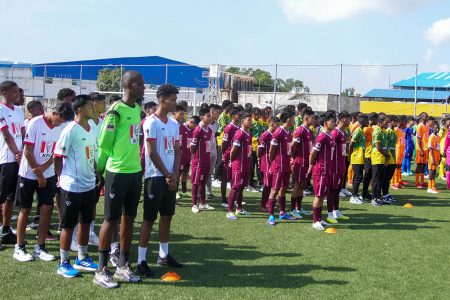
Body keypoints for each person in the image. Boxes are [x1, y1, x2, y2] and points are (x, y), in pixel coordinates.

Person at [94, 71, 145, 288]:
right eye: (140, 84)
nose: (144, 87)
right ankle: (101, 269)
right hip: (116, 173)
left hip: (134, 172)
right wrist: (100, 169)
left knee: (129, 218)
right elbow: (104, 144)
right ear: (129, 85)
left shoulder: (138, 111)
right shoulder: (115, 111)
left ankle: (123, 265)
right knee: (110, 219)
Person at [14, 101, 72, 262]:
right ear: (54, 113)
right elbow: (27, 151)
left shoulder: (61, 127)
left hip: (48, 173)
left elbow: (56, 152)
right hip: (28, 173)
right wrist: (37, 172)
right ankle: (19, 247)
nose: (60, 123)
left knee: (47, 208)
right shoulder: (35, 124)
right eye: (59, 119)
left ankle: (40, 247)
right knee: (25, 209)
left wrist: (45, 168)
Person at [137, 84, 182, 279]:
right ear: (162, 100)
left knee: (167, 216)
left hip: (169, 177)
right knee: (149, 219)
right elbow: (152, 152)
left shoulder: (174, 124)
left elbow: (178, 150)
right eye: (172, 99)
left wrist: (175, 174)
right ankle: (141, 260)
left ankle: (164, 255)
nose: (175, 103)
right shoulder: (150, 122)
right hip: (155, 177)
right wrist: (167, 174)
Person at [53, 95, 99, 277]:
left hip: (89, 184)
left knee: (85, 222)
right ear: (79, 109)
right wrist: (60, 177)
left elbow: (92, 155)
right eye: (89, 105)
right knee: (68, 225)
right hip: (71, 185)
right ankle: (63, 262)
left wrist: (96, 173)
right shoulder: (70, 129)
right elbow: (58, 155)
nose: (93, 107)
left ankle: (82, 257)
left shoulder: (91, 128)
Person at [0, 81, 25, 247]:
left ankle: (5, 229)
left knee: (10, 196)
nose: (17, 94)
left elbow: (22, 132)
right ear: (4, 91)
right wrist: (17, 152)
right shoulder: (0, 109)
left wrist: (22, 152)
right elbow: (6, 134)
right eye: (14, 91)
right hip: (5, 159)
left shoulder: (18, 110)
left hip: (18, 158)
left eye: (18, 92)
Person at [267, 111, 297, 226]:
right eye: (293, 118)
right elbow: (271, 150)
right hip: (278, 166)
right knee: (274, 190)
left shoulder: (288, 132)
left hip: (286, 166)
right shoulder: (279, 131)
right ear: (288, 119)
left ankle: (282, 212)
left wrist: (290, 159)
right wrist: (272, 164)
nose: (294, 120)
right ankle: (271, 215)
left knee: (283, 189)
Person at [309, 111, 336, 231]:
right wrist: (311, 165)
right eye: (332, 121)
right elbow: (313, 152)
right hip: (321, 170)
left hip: (327, 170)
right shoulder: (322, 136)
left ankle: (319, 219)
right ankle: (315, 221)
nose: (334, 123)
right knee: (319, 195)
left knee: (323, 195)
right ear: (325, 123)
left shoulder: (329, 136)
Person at [226, 112, 253, 220]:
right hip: (238, 165)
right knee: (235, 187)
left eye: (251, 120)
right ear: (242, 121)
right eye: (249, 120)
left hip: (246, 164)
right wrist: (231, 161)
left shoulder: (249, 133)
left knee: (241, 188)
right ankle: (229, 211)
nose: (251, 122)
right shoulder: (239, 133)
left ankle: (239, 208)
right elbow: (233, 150)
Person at [327, 111, 351, 224]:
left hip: (341, 164)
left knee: (337, 189)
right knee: (332, 190)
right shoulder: (335, 132)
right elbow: (330, 150)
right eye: (348, 119)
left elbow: (343, 149)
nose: (350, 121)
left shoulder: (343, 132)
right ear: (344, 119)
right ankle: (329, 214)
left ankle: (336, 211)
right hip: (334, 166)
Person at [290, 109, 314, 218]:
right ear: (306, 118)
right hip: (300, 162)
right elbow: (293, 146)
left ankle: (298, 207)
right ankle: (292, 209)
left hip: (306, 163)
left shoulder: (309, 130)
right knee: (297, 185)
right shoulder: (300, 130)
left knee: (303, 185)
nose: (313, 120)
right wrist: (294, 158)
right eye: (312, 118)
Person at [190, 108, 213, 213]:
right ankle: (194, 204)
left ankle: (202, 203)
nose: (210, 117)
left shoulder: (210, 130)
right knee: (196, 182)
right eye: (207, 116)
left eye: (210, 115)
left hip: (206, 159)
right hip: (198, 161)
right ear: (201, 117)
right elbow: (192, 146)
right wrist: (195, 158)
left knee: (202, 182)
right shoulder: (198, 130)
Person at [221, 107, 242, 207]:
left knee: (235, 177)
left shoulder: (240, 127)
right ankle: (223, 199)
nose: (241, 116)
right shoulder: (229, 127)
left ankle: (235, 199)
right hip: (229, 154)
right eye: (239, 114)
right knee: (225, 177)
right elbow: (224, 143)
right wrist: (224, 154)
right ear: (233, 116)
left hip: (237, 155)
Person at [258, 116, 279, 212]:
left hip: (273, 161)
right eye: (277, 124)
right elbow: (260, 148)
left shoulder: (275, 134)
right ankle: (262, 204)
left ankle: (267, 203)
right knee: (267, 184)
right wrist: (259, 158)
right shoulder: (265, 135)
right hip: (266, 162)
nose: (278, 126)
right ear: (271, 124)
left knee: (270, 184)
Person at [174, 105, 194, 200]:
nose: (182, 116)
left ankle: (184, 189)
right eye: (180, 114)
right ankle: (175, 191)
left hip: (187, 154)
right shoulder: (173, 125)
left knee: (185, 172)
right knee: (177, 173)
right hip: (179, 154)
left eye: (184, 114)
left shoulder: (184, 127)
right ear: (175, 113)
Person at [371, 114, 390, 207]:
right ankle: (374, 198)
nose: (387, 124)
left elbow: (385, 145)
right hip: (377, 158)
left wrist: (387, 157)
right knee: (376, 179)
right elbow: (378, 147)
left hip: (382, 158)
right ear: (380, 122)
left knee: (381, 179)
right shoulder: (377, 131)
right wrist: (387, 155)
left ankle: (378, 197)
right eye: (386, 122)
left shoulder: (384, 131)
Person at [349, 114, 368, 204]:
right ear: (363, 122)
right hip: (357, 157)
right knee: (358, 177)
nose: (368, 122)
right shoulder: (358, 131)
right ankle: (353, 196)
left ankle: (355, 195)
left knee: (357, 177)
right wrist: (350, 155)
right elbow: (351, 144)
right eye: (367, 121)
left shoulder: (361, 131)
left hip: (360, 157)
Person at [216, 100, 234, 183]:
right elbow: (225, 127)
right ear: (226, 106)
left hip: (227, 140)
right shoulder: (222, 116)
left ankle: (223, 176)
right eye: (230, 106)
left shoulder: (228, 116)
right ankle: (217, 177)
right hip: (221, 139)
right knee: (221, 159)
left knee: (225, 158)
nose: (231, 108)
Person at [205, 104, 220, 200]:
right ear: (212, 112)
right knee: (203, 172)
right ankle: (200, 193)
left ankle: (208, 192)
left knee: (210, 173)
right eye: (218, 112)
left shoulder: (216, 124)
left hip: (213, 150)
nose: (219, 114)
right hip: (206, 150)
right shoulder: (205, 124)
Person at [381, 115, 398, 204]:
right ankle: (383, 194)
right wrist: (387, 157)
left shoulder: (394, 132)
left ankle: (386, 194)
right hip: (388, 157)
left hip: (393, 157)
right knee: (385, 177)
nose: (396, 123)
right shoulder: (387, 132)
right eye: (394, 121)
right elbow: (385, 145)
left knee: (389, 177)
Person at [362, 112, 378, 201]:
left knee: (371, 174)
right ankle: (363, 193)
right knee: (367, 174)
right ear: (373, 119)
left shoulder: (374, 128)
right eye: (376, 119)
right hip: (368, 154)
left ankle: (366, 192)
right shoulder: (366, 129)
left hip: (373, 154)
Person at [249, 107, 264, 192]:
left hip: (259, 147)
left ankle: (261, 182)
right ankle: (250, 183)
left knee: (259, 166)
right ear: (252, 114)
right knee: (251, 166)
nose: (258, 116)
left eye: (259, 114)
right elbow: (249, 134)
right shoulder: (251, 123)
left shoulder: (260, 122)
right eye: (256, 114)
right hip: (252, 147)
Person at [415, 112, 430, 189]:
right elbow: (418, 138)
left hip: (425, 148)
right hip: (420, 148)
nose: (427, 118)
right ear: (422, 117)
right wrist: (420, 149)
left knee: (423, 165)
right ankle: (417, 182)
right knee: (419, 164)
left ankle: (422, 181)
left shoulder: (427, 126)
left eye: (427, 116)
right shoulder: (419, 126)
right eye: (425, 116)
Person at [392, 115, 407, 189]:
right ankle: (393, 182)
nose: (406, 124)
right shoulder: (395, 130)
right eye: (405, 122)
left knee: (399, 166)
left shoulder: (401, 130)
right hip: (397, 150)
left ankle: (398, 181)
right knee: (395, 166)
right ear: (401, 122)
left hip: (401, 150)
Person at [427, 120, 440, 194]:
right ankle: (429, 187)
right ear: (433, 128)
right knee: (431, 171)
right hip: (432, 157)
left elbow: (438, 147)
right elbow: (430, 148)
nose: (437, 129)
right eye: (436, 128)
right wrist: (433, 158)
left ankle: (433, 186)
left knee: (434, 171)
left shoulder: (438, 136)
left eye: (438, 128)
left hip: (437, 156)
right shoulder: (431, 136)